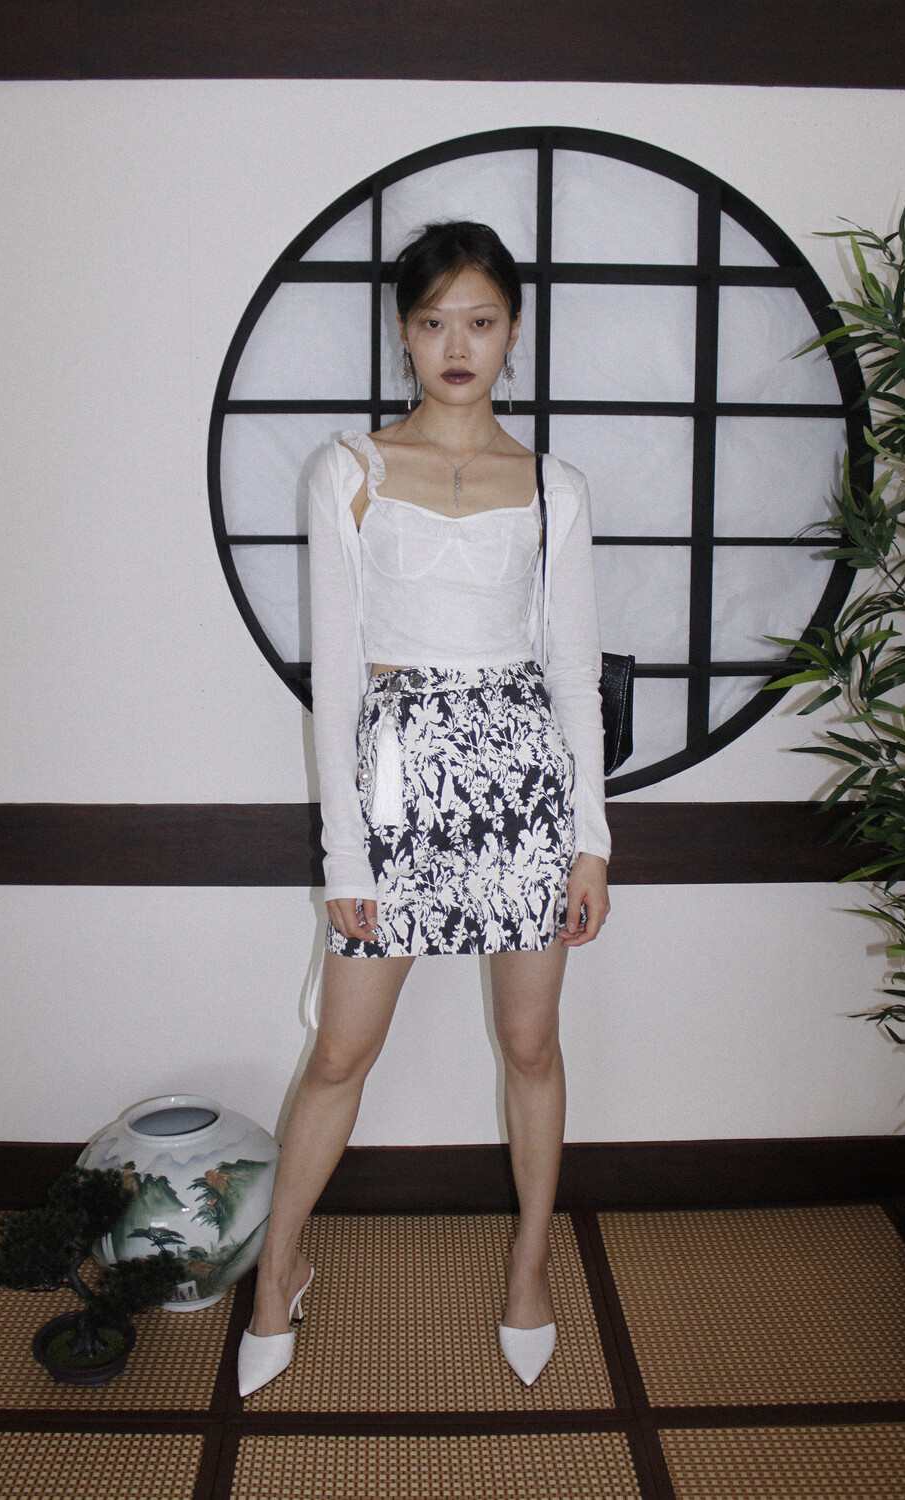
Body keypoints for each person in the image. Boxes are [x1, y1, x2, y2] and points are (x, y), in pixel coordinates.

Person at [238, 220, 610, 1397]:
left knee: (530, 1045)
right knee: (341, 1049)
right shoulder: (348, 469)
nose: (458, 344)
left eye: (480, 321)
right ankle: (277, 1271)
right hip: (396, 789)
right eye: (434, 320)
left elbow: (573, 674)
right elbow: (338, 678)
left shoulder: (553, 487)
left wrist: (590, 841)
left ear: (512, 332)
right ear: (403, 334)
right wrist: (345, 855)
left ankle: (528, 1268)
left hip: (525, 790)